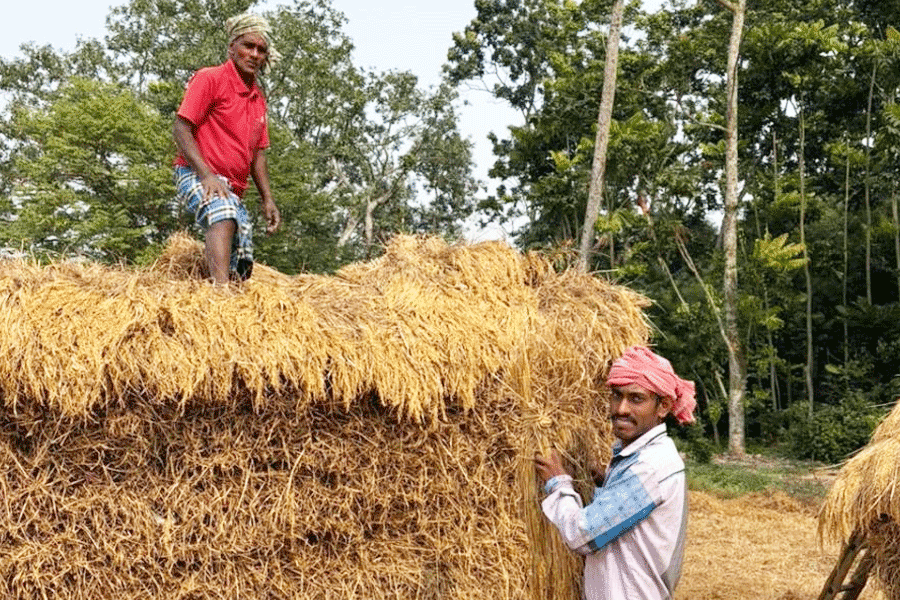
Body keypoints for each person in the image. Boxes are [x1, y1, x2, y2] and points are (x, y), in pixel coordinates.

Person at [534, 345, 696, 600]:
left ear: (663, 406)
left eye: (636, 399)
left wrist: (558, 483)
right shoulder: (640, 456)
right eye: (616, 395)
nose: (621, 409)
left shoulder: (650, 467)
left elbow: (582, 535)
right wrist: (604, 481)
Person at [173, 13, 281, 284]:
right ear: (232, 47)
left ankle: (230, 294)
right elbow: (181, 128)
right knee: (222, 214)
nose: (254, 54)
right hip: (196, 173)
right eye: (248, 46)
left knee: (241, 256)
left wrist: (267, 199)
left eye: (261, 49)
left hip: (233, 187)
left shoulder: (258, 100)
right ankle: (219, 299)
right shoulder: (210, 78)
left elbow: (257, 154)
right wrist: (206, 174)